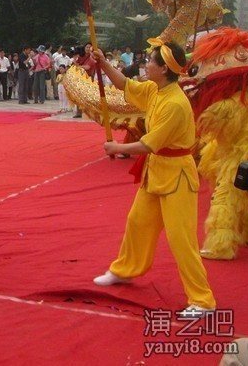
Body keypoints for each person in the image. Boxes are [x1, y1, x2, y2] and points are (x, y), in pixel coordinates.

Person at [92, 41, 216, 315]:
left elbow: (149, 145)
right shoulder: (154, 90)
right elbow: (125, 84)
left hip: (178, 176)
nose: (145, 64)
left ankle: (202, 300)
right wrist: (102, 62)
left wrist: (117, 148)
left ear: (164, 69)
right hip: (156, 172)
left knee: (181, 239)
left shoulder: (175, 104)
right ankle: (125, 270)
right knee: (137, 223)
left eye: (150, 61)